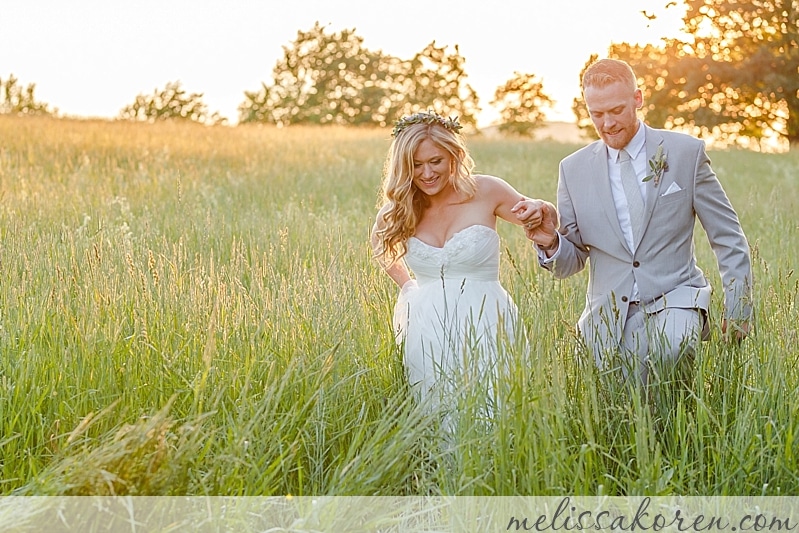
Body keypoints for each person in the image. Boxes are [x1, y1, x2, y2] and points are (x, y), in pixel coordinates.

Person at [514, 58, 753, 387]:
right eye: (597, 114)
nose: (608, 123)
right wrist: (550, 241)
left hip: (676, 295)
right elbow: (571, 262)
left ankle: (676, 432)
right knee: (605, 396)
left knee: (672, 350)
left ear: (637, 99)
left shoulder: (686, 153)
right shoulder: (573, 169)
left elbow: (728, 236)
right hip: (609, 311)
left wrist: (738, 306)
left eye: (616, 110)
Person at [371, 110, 540, 415]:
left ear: (454, 156)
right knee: (438, 413)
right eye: (416, 165)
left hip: (487, 319)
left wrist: (544, 210)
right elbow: (379, 246)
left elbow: (535, 217)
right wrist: (408, 287)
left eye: (435, 161)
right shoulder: (399, 209)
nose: (426, 173)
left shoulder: (487, 190)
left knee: (494, 409)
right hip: (426, 325)